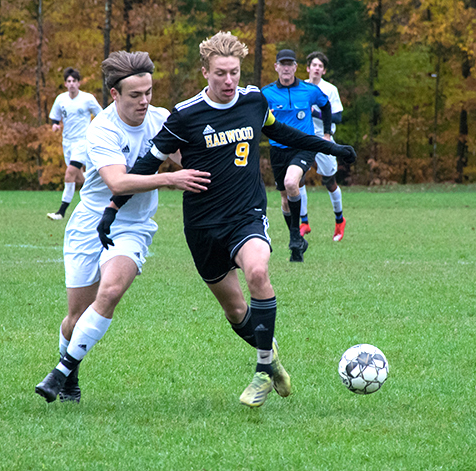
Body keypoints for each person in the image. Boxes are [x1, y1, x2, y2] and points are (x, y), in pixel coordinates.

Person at [97, 32, 356, 408]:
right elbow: (147, 165)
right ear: (205, 72)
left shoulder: (254, 100)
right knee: (236, 311)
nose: (229, 80)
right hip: (203, 225)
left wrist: (330, 146)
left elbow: (280, 132)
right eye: (221, 73)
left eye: (234, 72)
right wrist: (111, 210)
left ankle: (262, 370)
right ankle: (274, 360)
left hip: (246, 214)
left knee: (257, 273)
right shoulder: (184, 115)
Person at [35, 51, 210, 403]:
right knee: (75, 316)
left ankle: (61, 372)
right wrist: (169, 179)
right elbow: (118, 182)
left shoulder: (161, 118)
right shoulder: (101, 128)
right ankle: (71, 373)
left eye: (148, 92)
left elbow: (187, 156)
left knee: (112, 291)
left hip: (133, 225)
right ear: (114, 94)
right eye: (135, 95)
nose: (145, 101)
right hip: (91, 223)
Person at [261, 50, 332, 262]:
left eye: (289, 64)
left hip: (303, 146)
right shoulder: (267, 93)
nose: (286, 68)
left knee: (292, 183)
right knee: (284, 199)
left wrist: (327, 133)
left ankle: (294, 236)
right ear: (276, 67)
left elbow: (326, 105)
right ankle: (298, 243)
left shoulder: (309, 90)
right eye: (282, 64)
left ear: (295, 67)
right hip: (278, 150)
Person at [300, 51, 347, 241]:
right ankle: (304, 222)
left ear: (323, 71)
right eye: (314, 65)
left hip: (324, 139)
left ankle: (339, 220)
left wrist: (316, 113)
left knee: (329, 181)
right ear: (308, 68)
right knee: (297, 178)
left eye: (320, 66)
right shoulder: (300, 87)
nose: (317, 69)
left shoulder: (330, 89)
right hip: (303, 137)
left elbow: (338, 117)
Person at [46, 67, 103, 220]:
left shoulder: (87, 98)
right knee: (79, 178)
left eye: (74, 81)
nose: (71, 84)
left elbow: (101, 115)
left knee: (69, 174)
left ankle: (61, 212)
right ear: (65, 84)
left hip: (82, 142)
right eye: (68, 81)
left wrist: (96, 132)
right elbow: (55, 117)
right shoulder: (61, 99)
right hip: (67, 143)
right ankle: (102, 196)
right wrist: (55, 125)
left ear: (79, 83)